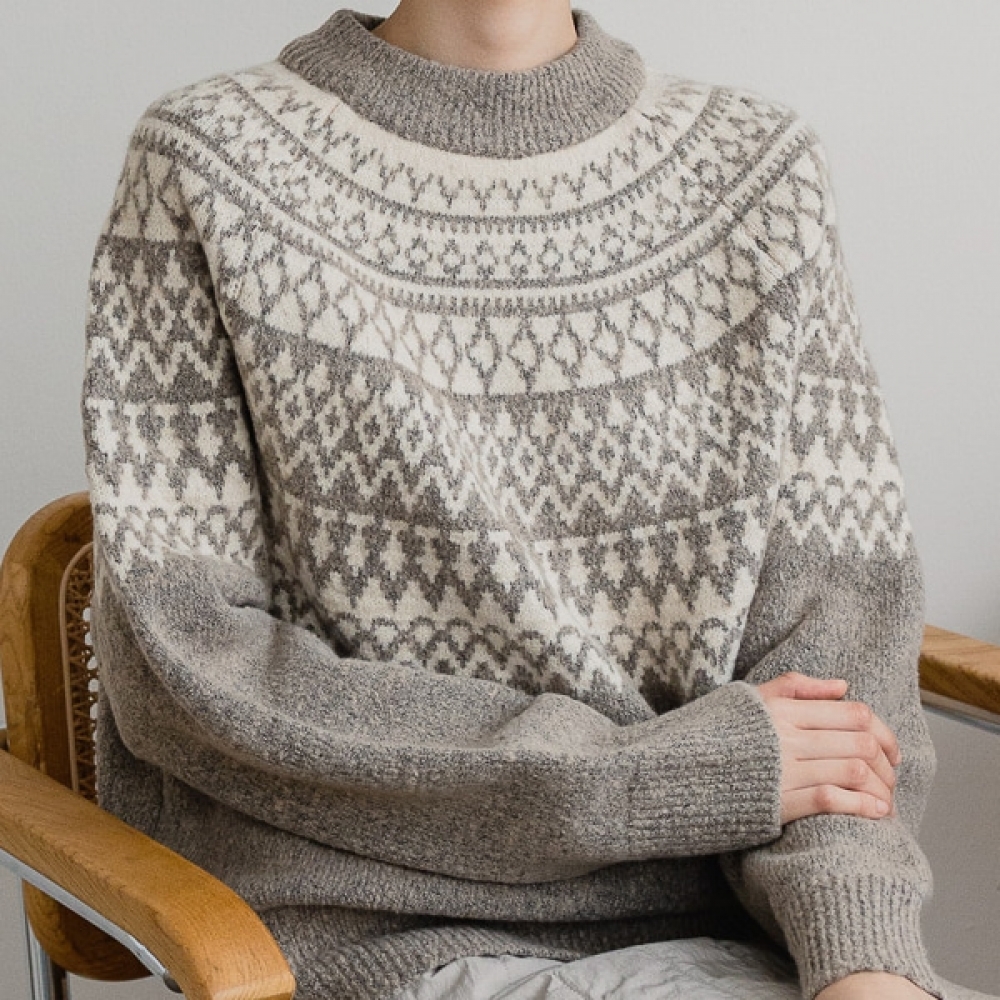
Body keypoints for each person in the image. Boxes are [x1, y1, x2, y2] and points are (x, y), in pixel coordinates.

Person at [79, 3, 991, 999]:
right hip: (388, 938)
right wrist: (657, 779)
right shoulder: (211, 160)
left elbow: (835, 681)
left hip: (743, 942)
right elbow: (188, 678)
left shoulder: (759, 171)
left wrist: (861, 959)